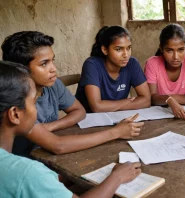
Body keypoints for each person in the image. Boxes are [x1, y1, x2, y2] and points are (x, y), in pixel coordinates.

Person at [0, 60, 141, 198]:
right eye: (34, 102)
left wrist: (55, 179)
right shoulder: (27, 173)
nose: (53, 69)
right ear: (15, 114)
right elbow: (32, 178)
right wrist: (117, 177)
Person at [1, 31, 144, 157]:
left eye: (53, 61)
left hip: (46, 157)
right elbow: (58, 145)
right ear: (22, 70)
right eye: (44, 64)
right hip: (23, 164)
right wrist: (116, 132)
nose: (53, 69)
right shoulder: (18, 100)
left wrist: (51, 126)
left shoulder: (52, 84)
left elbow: (79, 111)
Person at [76, 26, 151, 113]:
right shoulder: (92, 65)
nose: (126, 55)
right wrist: (125, 102)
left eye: (128, 48)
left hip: (117, 117)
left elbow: (146, 100)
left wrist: (112, 106)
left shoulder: (132, 63)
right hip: (89, 119)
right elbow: (96, 107)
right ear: (104, 50)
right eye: (119, 49)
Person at [144, 24, 185, 120]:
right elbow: (151, 98)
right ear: (161, 49)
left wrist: (165, 98)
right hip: (159, 117)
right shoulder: (152, 63)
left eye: (181, 50)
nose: (176, 57)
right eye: (169, 50)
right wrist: (169, 100)